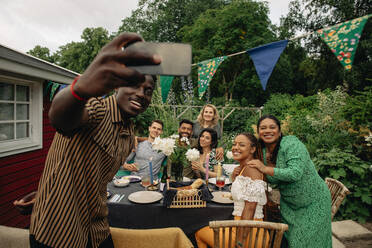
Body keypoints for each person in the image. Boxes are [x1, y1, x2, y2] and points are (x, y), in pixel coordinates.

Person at [29, 33, 161, 248]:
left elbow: (88, 174)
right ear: (117, 85)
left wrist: (45, 188)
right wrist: (79, 89)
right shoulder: (96, 108)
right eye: (134, 85)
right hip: (58, 229)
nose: (141, 94)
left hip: (96, 228)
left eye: (148, 90)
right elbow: (60, 119)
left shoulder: (128, 136)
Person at [247, 115, 332, 248]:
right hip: (290, 205)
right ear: (258, 132)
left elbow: (295, 173)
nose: (267, 131)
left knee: (310, 242)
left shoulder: (291, 144)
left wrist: (265, 168)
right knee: (292, 241)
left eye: (272, 127)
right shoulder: (263, 151)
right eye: (263, 128)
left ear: (279, 131)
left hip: (313, 201)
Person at [195, 133, 267, 248]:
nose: (235, 147)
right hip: (240, 224)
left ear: (252, 149)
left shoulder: (252, 169)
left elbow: (250, 207)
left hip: (249, 232)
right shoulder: (243, 168)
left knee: (199, 233)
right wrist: (234, 177)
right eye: (234, 144)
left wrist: (240, 242)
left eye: (241, 145)